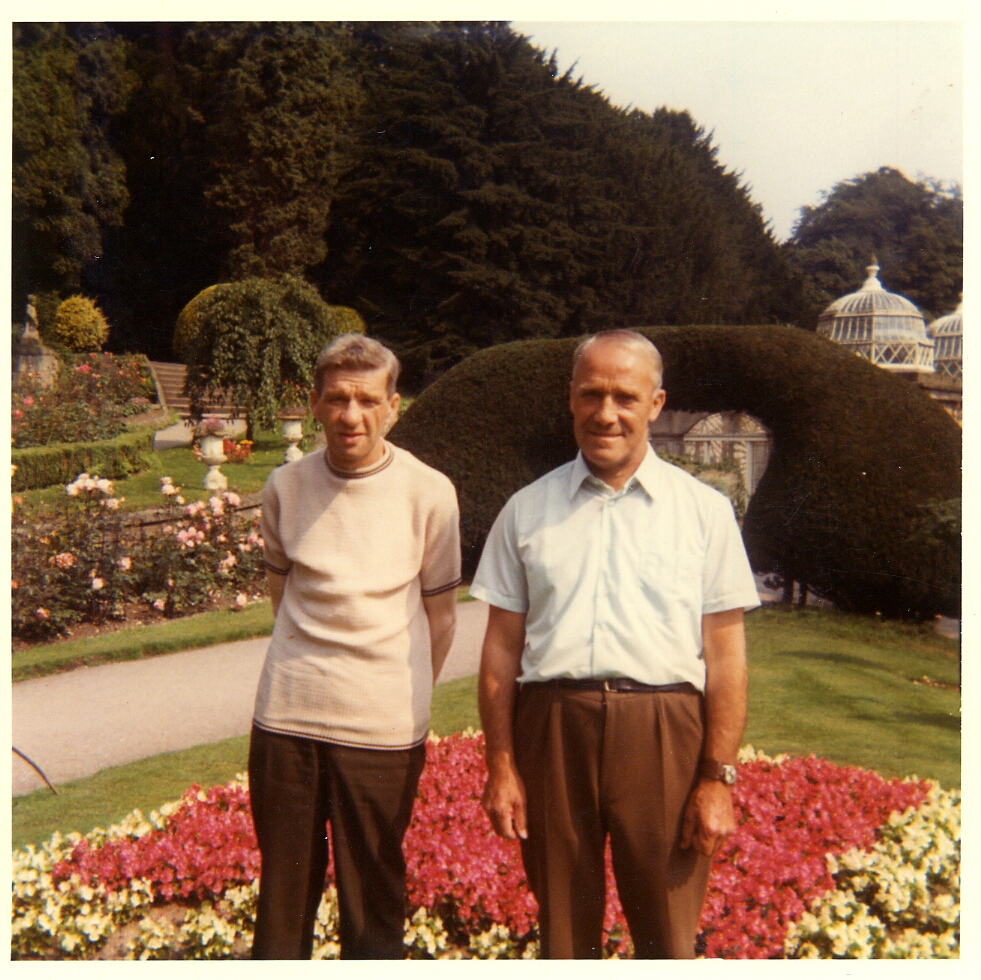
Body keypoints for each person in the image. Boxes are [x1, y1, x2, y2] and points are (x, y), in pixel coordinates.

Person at [471, 329, 760, 959]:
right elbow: (499, 653)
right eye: (591, 394)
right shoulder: (526, 510)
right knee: (564, 938)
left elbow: (727, 658)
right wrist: (501, 764)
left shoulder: (703, 512)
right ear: (571, 399)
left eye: (625, 397)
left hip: (664, 733)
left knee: (666, 937)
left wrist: (717, 778)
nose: (606, 414)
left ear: (655, 404)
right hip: (553, 731)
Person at [249, 334, 461, 959]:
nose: (351, 416)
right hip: (286, 719)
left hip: (382, 729)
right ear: (314, 402)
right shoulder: (284, 486)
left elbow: (441, 617)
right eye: (337, 399)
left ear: (393, 407)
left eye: (367, 401)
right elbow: (281, 598)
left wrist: (398, 695)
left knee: (373, 904)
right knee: (283, 897)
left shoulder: (430, 492)